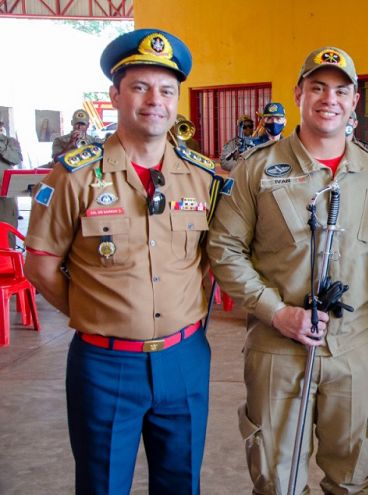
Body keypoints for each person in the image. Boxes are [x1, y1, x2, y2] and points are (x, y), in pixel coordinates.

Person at [206, 46, 368, 494]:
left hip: (354, 350)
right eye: (318, 87)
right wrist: (277, 311)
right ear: (299, 93)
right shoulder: (256, 170)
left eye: (341, 90)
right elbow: (224, 248)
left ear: (354, 101)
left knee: (353, 479)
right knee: (277, 480)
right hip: (277, 346)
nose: (330, 99)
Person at [24, 28, 219, 494]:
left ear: (177, 99)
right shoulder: (75, 176)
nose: (155, 100)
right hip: (104, 364)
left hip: (185, 357)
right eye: (140, 87)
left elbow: (211, 262)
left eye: (167, 90)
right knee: (102, 484)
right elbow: (41, 263)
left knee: (181, 483)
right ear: (115, 95)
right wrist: (95, 310)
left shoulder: (203, 177)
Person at [0, 121, 23, 246]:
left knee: (7, 231)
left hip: (5, 197)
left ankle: (8, 262)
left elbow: (16, 159)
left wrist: (1, 146)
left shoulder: (10, 142)